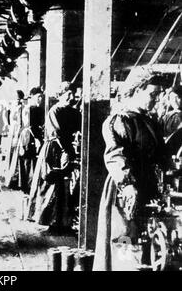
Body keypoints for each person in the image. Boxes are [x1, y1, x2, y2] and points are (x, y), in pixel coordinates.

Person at [93, 67, 168, 271]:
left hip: (147, 188)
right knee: (124, 237)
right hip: (125, 189)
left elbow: (161, 155)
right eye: (152, 94)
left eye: (158, 95)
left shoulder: (150, 121)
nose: (156, 99)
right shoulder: (119, 120)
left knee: (144, 240)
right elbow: (114, 155)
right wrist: (127, 185)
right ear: (137, 90)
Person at [27, 82, 81, 232]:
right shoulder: (54, 111)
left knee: (66, 187)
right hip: (54, 150)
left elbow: (80, 129)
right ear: (60, 95)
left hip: (67, 149)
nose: (71, 96)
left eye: (73, 93)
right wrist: (68, 152)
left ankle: (64, 221)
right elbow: (57, 135)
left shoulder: (74, 112)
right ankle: (50, 220)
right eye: (68, 94)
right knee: (51, 184)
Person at [16, 87, 44, 194]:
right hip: (29, 136)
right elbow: (30, 125)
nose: (40, 99)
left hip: (30, 135)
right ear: (33, 97)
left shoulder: (35, 108)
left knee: (29, 161)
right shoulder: (30, 109)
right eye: (38, 97)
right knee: (27, 161)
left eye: (41, 97)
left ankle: (28, 185)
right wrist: (37, 138)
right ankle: (26, 186)